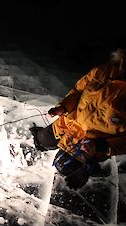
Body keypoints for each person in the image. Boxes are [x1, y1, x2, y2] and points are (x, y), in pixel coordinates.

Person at [30, 48, 126, 190]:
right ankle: (40, 140)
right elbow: (78, 91)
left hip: (89, 145)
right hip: (68, 124)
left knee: (64, 167)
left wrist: (102, 146)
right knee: (42, 140)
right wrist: (63, 107)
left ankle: (84, 173)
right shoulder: (104, 71)